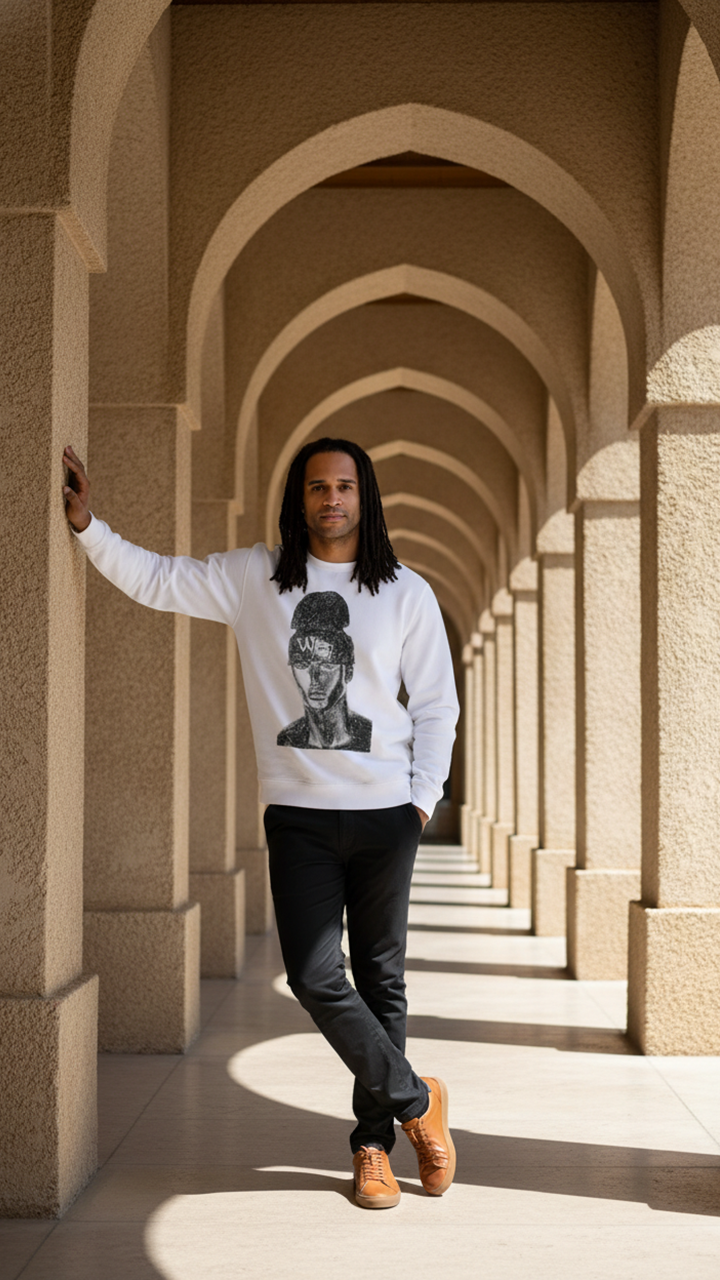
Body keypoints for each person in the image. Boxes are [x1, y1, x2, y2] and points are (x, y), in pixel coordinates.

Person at [63, 435, 459, 1210]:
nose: (331, 499)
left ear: (364, 497)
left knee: (381, 979)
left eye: (344, 486)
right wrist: (88, 527)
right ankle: (418, 1100)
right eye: (317, 487)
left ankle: (373, 1147)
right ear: (298, 499)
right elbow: (159, 579)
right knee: (314, 975)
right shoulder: (256, 578)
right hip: (299, 817)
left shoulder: (404, 592)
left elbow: (436, 704)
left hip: (385, 814)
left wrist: (421, 801)